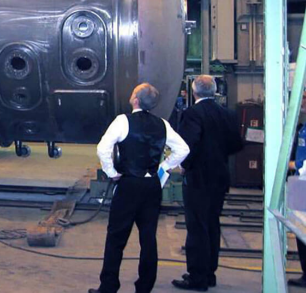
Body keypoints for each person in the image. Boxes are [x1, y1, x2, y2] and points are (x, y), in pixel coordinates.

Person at [89, 83, 190, 293]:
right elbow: (183, 149)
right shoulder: (162, 124)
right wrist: (164, 167)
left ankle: (108, 287)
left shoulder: (122, 121)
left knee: (116, 237)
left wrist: (111, 172)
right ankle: (144, 287)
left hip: (129, 184)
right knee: (148, 238)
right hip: (151, 186)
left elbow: (103, 148)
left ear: (135, 100)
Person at [172, 75, 243, 291]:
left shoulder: (192, 113)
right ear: (214, 91)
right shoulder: (228, 114)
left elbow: (188, 144)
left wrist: (184, 165)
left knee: (197, 227)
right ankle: (209, 273)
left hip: (198, 178)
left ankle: (197, 277)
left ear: (194, 92)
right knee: (212, 224)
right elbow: (237, 144)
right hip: (220, 177)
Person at [287, 90, 306, 288]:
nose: (302, 101)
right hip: (300, 183)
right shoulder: (303, 127)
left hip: (303, 178)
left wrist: (296, 165)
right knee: (301, 230)